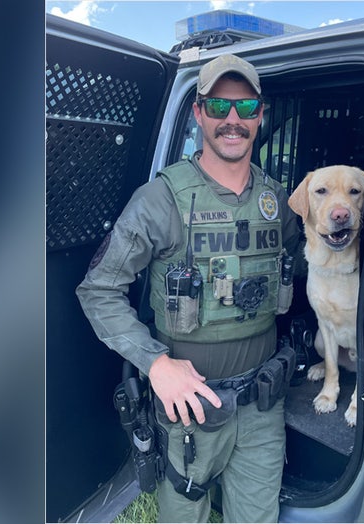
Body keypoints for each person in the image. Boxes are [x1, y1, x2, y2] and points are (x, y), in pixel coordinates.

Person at [76, 54, 303, 523]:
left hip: (262, 403)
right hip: (189, 411)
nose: (233, 121)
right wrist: (155, 363)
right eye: (219, 107)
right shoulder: (160, 199)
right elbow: (99, 289)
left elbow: (304, 264)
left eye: (246, 108)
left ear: (262, 115)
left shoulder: (276, 200)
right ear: (199, 113)